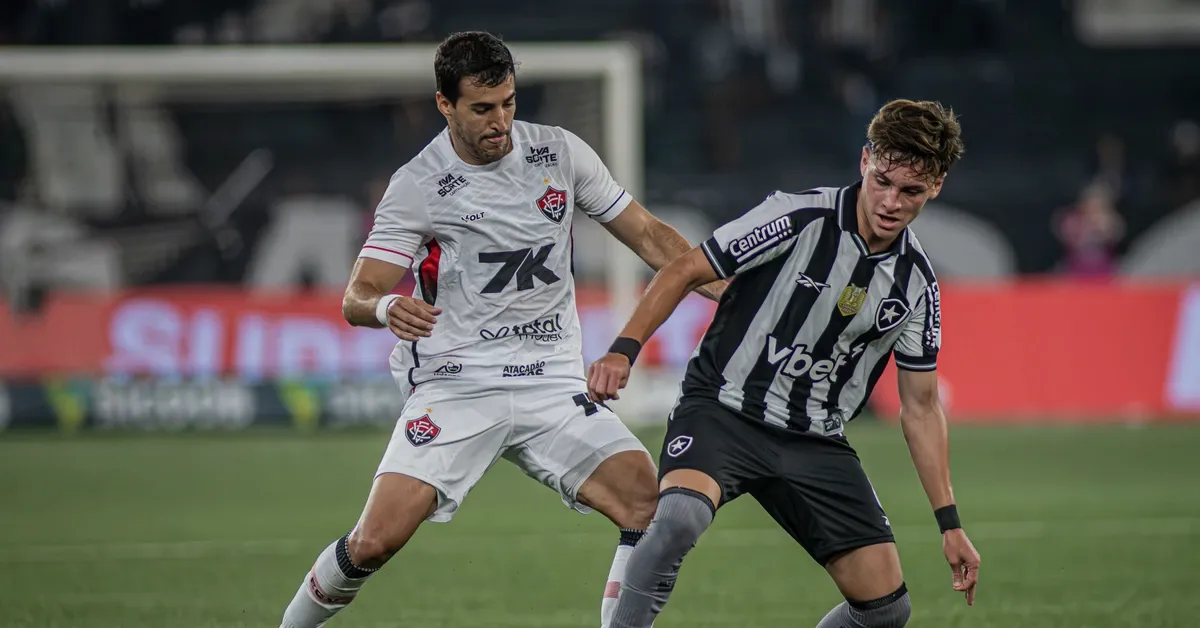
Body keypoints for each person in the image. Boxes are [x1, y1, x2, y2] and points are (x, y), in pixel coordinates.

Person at [278, 31, 726, 628]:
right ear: (445, 105)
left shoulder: (559, 154)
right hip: (456, 386)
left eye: (509, 103)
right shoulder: (418, 185)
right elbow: (356, 295)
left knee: (650, 506)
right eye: (482, 109)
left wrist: (729, 288)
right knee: (374, 542)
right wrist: (387, 308)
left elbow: (648, 236)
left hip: (552, 385)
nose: (501, 122)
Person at [588, 99, 981, 628]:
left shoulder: (917, 286)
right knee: (679, 516)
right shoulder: (798, 216)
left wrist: (949, 523)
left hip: (814, 438)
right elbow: (684, 269)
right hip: (724, 408)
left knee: (887, 612)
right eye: (883, 180)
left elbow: (921, 407)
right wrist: (624, 349)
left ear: (935, 187)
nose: (890, 202)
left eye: (910, 191)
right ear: (865, 161)